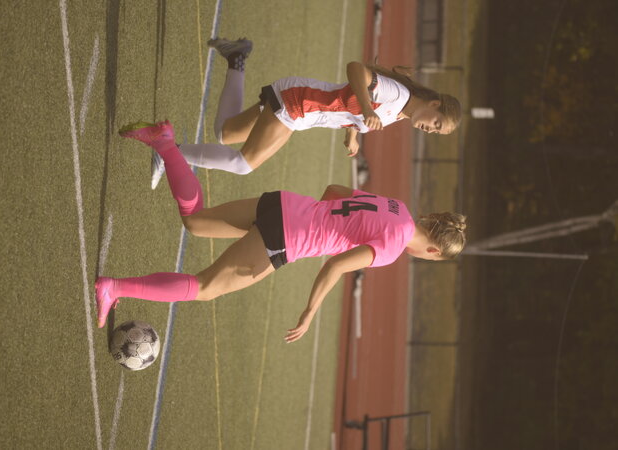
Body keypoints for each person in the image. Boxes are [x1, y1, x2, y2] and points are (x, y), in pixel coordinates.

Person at [101, 121, 467, 343]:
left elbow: (335, 191)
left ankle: (165, 142)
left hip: (285, 205)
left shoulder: (398, 209)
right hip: (288, 237)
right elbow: (336, 266)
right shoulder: (392, 248)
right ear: (434, 251)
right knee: (206, 287)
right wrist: (309, 312)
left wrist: (319, 220)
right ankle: (113, 287)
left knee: (196, 221)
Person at [149, 37, 462, 187]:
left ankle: (236, 58)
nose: (431, 129)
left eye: (437, 132)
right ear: (434, 105)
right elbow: (356, 70)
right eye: (437, 123)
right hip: (297, 103)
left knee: (224, 132)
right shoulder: (399, 95)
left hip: (299, 104)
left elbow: (351, 103)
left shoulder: (401, 112)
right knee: (243, 164)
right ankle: (167, 152)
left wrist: (353, 133)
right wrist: (367, 110)